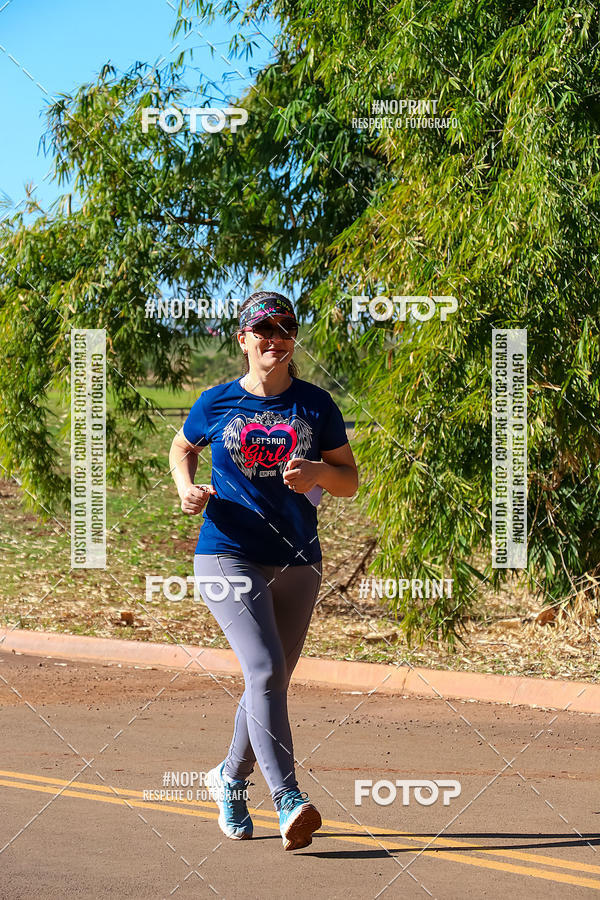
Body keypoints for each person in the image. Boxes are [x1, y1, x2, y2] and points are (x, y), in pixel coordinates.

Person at [169, 290, 358, 851]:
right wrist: (186, 488)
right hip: (227, 552)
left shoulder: (316, 404)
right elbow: (182, 446)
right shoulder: (218, 400)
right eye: (264, 330)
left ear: (293, 339)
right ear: (243, 340)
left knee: (267, 680)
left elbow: (349, 480)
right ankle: (289, 798)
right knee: (266, 667)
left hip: (299, 559)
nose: (275, 338)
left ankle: (228, 778)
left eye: (285, 329)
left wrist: (318, 472)